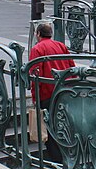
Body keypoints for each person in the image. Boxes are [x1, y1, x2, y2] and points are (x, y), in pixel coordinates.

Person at [28, 23, 74, 161]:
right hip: (63, 92)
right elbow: (72, 67)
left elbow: (35, 76)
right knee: (62, 123)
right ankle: (68, 154)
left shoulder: (37, 49)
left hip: (47, 94)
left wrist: (35, 98)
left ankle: (57, 159)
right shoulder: (61, 46)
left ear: (38, 34)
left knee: (49, 127)